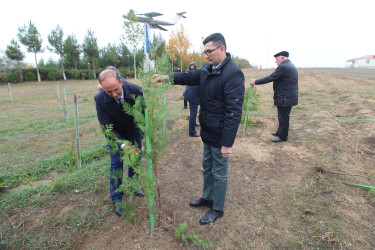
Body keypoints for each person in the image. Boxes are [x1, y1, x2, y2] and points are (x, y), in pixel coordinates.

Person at [154, 33, 245, 225]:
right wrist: (166, 77)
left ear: (222, 49)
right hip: (207, 131)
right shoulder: (208, 69)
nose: (206, 56)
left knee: (219, 173)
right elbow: (188, 76)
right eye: (204, 52)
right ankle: (207, 197)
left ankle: (217, 208)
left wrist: (227, 143)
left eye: (209, 52)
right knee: (208, 168)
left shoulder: (233, 74)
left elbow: (233, 112)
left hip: (220, 135)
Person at [94, 67, 144, 217]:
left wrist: (142, 137)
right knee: (116, 164)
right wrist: (123, 145)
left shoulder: (136, 91)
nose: (114, 95)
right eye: (109, 92)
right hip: (115, 135)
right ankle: (117, 198)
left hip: (133, 130)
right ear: (103, 88)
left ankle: (133, 185)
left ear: (121, 82)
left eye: (116, 90)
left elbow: (143, 115)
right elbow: (106, 128)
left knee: (135, 159)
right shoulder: (99, 99)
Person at [250, 51, 298, 142]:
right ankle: (280, 132)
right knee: (282, 116)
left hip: (285, 98)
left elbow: (270, 78)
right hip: (287, 96)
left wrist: (255, 81)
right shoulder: (289, 65)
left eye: (277, 59)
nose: (276, 61)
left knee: (283, 117)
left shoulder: (284, 67)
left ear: (283, 58)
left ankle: (283, 136)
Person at [183, 62, 201, 137]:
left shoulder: (196, 75)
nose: (192, 67)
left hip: (191, 95)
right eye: (191, 65)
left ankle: (194, 123)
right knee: (193, 114)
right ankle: (192, 132)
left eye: (194, 66)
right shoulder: (191, 74)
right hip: (192, 96)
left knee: (193, 113)